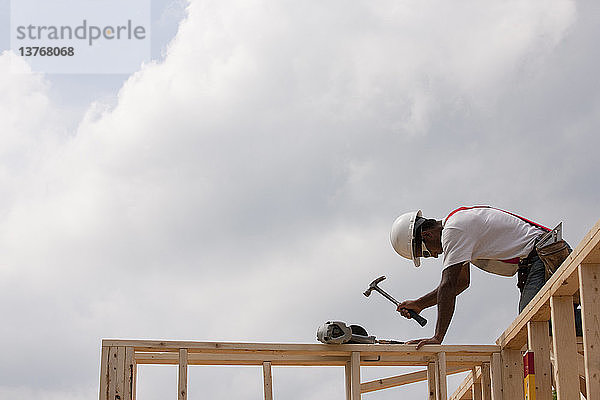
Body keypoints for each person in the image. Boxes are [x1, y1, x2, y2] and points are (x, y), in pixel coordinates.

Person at [389, 206, 566, 349]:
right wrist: (420, 304)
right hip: (541, 256)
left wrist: (437, 337)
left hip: (543, 255)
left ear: (427, 235)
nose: (435, 256)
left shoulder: (454, 231)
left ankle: (591, 327)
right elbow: (461, 283)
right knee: (550, 321)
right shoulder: (458, 228)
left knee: (533, 321)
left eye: (426, 253)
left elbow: (448, 285)